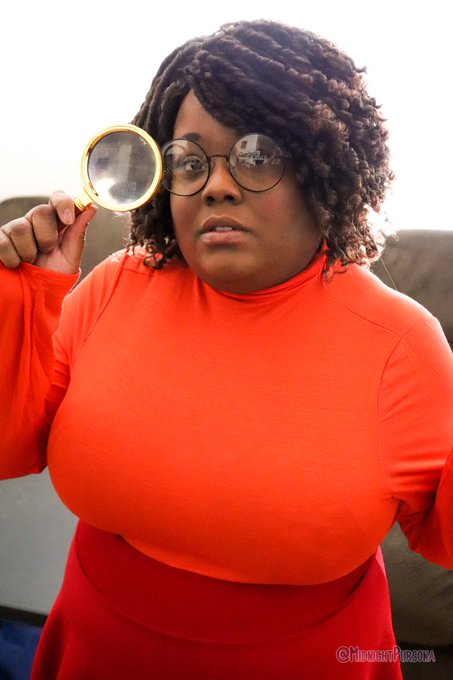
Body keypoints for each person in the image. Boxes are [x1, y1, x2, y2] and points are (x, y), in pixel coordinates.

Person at [1, 19, 453, 680]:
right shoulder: (112, 286)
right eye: (188, 161)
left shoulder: (402, 346)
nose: (216, 184)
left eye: (257, 155)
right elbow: (10, 447)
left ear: (323, 167)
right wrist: (27, 299)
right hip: (98, 648)